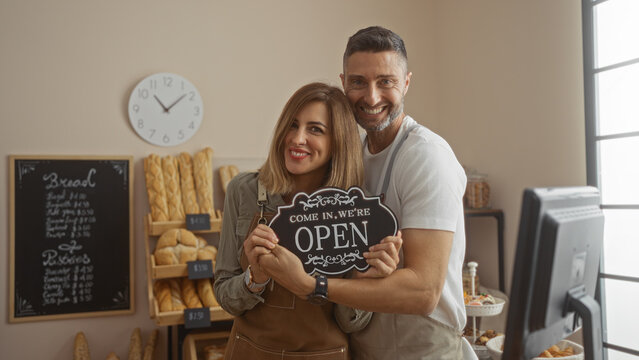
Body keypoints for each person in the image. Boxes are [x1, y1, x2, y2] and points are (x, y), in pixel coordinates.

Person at [259, 27, 473, 360]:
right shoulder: (353, 152)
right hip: (362, 341)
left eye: (385, 81)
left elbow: (424, 291)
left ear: (406, 83)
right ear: (344, 83)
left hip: (421, 347)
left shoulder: (426, 157)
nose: (371, 97)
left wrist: (311, 285)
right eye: (359, 82)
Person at [213, 82, 403, 360]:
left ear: (338, 141)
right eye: (292, 125)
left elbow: (351, 323)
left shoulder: (357, 212)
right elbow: (225, 297)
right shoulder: (244, 190)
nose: (297, 138)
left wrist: (365, 281)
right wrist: (255, 278)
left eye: (315, 129)